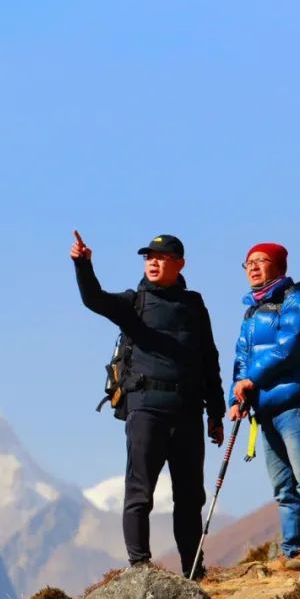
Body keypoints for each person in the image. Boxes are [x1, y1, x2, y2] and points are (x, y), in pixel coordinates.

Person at [71, 231, 225, 579]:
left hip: (188, 411)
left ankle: (193, 571)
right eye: (148, 258)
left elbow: (209, 360)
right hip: (146, 409)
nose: (153, 263)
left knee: (190, 498)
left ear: (179, 264)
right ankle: (140, 567)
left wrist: (215, 413)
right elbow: (93, 299)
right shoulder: (133, 303)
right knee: (140, 492)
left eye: (161, 258)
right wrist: (83, 264)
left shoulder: (194, 305)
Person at [228, 242, 300, 570]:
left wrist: (251, 379)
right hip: (263, 410)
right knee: (283, 487)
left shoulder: (298, 300)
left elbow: (289, 347)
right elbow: (241, 358)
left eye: (261, 261)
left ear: (279, 266)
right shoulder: (251, 312)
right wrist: (235, 397)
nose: (253, 267)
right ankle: (290, 550)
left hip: (293, 405)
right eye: (249, 263)